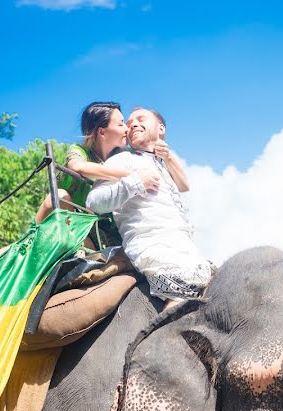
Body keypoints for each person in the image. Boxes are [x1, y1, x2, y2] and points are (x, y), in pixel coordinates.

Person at [0, 102, 161, 277]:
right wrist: (131, 176)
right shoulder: (80, 152)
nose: (127, 128)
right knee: (61, 195)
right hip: (68, 225)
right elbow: (77, 167)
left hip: (99, 231)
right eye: (121, 123)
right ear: (102, 132)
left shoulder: (119, 158)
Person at [87, 107, 212, 301]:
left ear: (160, 128)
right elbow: (93, 202)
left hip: (184, 246)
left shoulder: (164, 163)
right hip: (152, 245)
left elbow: (184, 185)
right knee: (184, 299)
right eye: (128, 124)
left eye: (140, 119)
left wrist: (168, 157)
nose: (133, 124)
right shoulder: (123, 159)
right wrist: (135, 182)